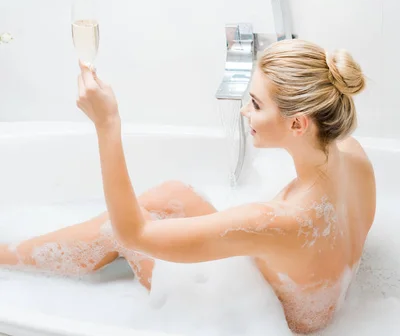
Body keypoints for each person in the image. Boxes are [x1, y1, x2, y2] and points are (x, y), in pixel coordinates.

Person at [0, 39, 376, 334]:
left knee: (113, 228)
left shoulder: (282, 220)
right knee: (173, 195)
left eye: (256, 104)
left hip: (264, 318)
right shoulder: (350, 152)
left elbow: (134, 233)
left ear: (299, 125)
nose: (245, 111)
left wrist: (107, 123)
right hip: (308, 293)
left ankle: (5, 257)